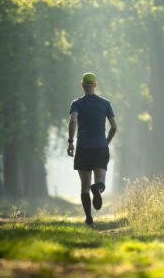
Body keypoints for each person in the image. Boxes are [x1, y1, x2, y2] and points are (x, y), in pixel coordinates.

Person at [67, 72, 117, 228]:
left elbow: (73, 120)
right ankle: (98, 188)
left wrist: (70, 141)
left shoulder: (76, 103)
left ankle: (89, 220)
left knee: (84, 185)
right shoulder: (105, 103)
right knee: (100, 181)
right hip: (100, 147)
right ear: (95, 85)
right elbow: (114, 127)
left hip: (83, 148)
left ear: (82, 85)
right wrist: (106, 142)